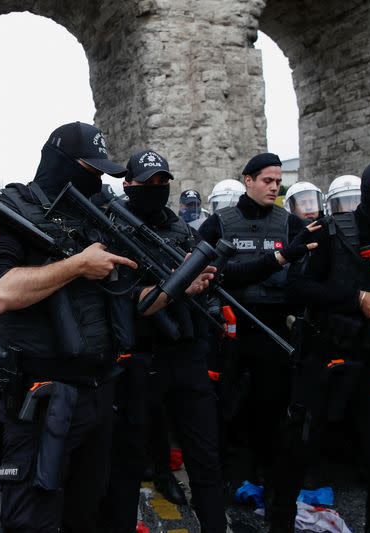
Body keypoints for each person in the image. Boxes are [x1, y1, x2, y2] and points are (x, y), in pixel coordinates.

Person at [0, 122, 211, 532]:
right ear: (61, 164)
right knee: (34, 518)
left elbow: (135, 302)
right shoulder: (8, 210)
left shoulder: (95, 219)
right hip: (41, 395)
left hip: (99, 392)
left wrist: (179, 284)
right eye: (91, 169)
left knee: (88, 514)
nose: (98, 180)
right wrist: (77, 265)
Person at [270, 155, 370, 533]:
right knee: (296, 454)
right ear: (369, 192)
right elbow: (295, 289)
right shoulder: (329, 232)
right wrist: (359, 299)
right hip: (324, 357)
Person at [103, 150, 226, 533]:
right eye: (148, 182)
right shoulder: (113, 230)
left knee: (206, 458)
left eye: (162, 181)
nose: (157, 188)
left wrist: (205, 281)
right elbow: (126, 299)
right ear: (128, 185)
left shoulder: (180, 229)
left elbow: (205, 288)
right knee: (128, 461)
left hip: (186, 354)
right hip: (139, 358)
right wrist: (175, 286)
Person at [198, 153, 319, 497]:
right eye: (268, 180)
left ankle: (266, 470)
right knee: (225, 406)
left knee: (271, 405)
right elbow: (214, 275)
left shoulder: (289, 223)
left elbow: (303, 278)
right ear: (248, 180)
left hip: (274, 328)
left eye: (279, 182)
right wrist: (276, 260)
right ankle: (226, 472)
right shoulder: (219, 224)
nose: (274, 187)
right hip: (230, 328)